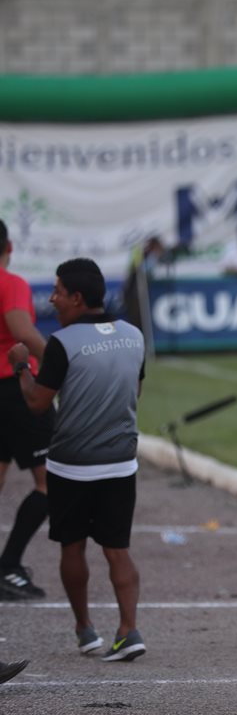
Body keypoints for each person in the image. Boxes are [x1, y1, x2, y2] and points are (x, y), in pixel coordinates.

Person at [6, 258, 147, 658]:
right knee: (117, 549)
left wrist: (21, 366)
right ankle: (129, 630)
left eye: (58, 292)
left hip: (71, 464)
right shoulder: (133, 336)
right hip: (122, 461)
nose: (53, 299)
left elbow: (36, 403)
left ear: (78, 298)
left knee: (72, 547)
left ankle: (86, 630)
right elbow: (134, 394)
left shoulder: (63, 344)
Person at [0, 219, 54, 601]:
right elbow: (21, 329)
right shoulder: (11, 282)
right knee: (49, 484)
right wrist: (60, 364)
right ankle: (8, 566)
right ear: (10, 246)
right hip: (15, 390)